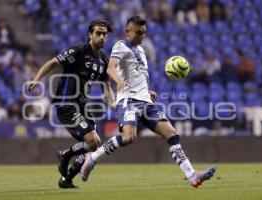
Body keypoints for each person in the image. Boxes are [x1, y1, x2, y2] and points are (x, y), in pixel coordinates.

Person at [80, 16, 216, 188]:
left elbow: (138, 76)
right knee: (129, 138)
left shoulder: (142, 51)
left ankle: (191, 175)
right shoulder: (120, 46)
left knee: (172, 134)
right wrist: (119, 81)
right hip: (128, 100)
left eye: (144, 33)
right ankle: (92, 158)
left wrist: (147, 92)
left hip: (145, 101)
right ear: (127, 31)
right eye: (138, 32)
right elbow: (110, 68)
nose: (141, 36)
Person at [27, 19, 115, 189]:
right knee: (93, 141)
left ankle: (66, 180)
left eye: (105, 34)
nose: (102, 37)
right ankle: (66, 155)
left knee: (93, 149)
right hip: (66, 104)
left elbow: (107, 88)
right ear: (90, 34)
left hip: (82, 107)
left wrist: (113, 104)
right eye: (98, 33)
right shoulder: (78, 51)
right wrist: (36, 80)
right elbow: (52, 63)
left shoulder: (104, 61)